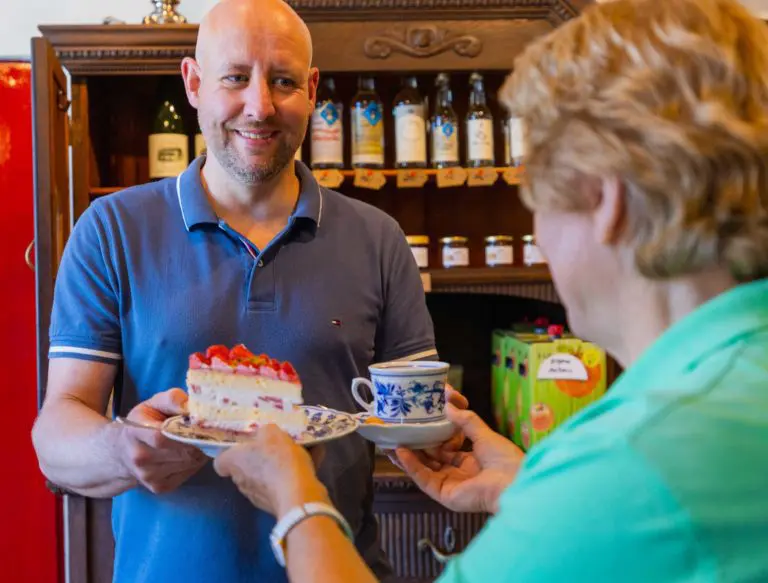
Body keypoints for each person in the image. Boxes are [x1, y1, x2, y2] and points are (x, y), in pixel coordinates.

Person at [211, 0, 768, 581]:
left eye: (540, 198)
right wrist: (535, 490)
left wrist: (297, 501)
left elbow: (632, 494)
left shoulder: (631, 457)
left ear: (607, 200)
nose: (541, 240)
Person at [30, 0, 457, 581]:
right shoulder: (110, 230)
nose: (260, 106)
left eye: (283, 81)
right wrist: (123, 448)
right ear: (194, 83)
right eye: (235, 77)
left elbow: (413, 421)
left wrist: (443, 432)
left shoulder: (379, 238)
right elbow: (57, 431)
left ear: (311, 90)